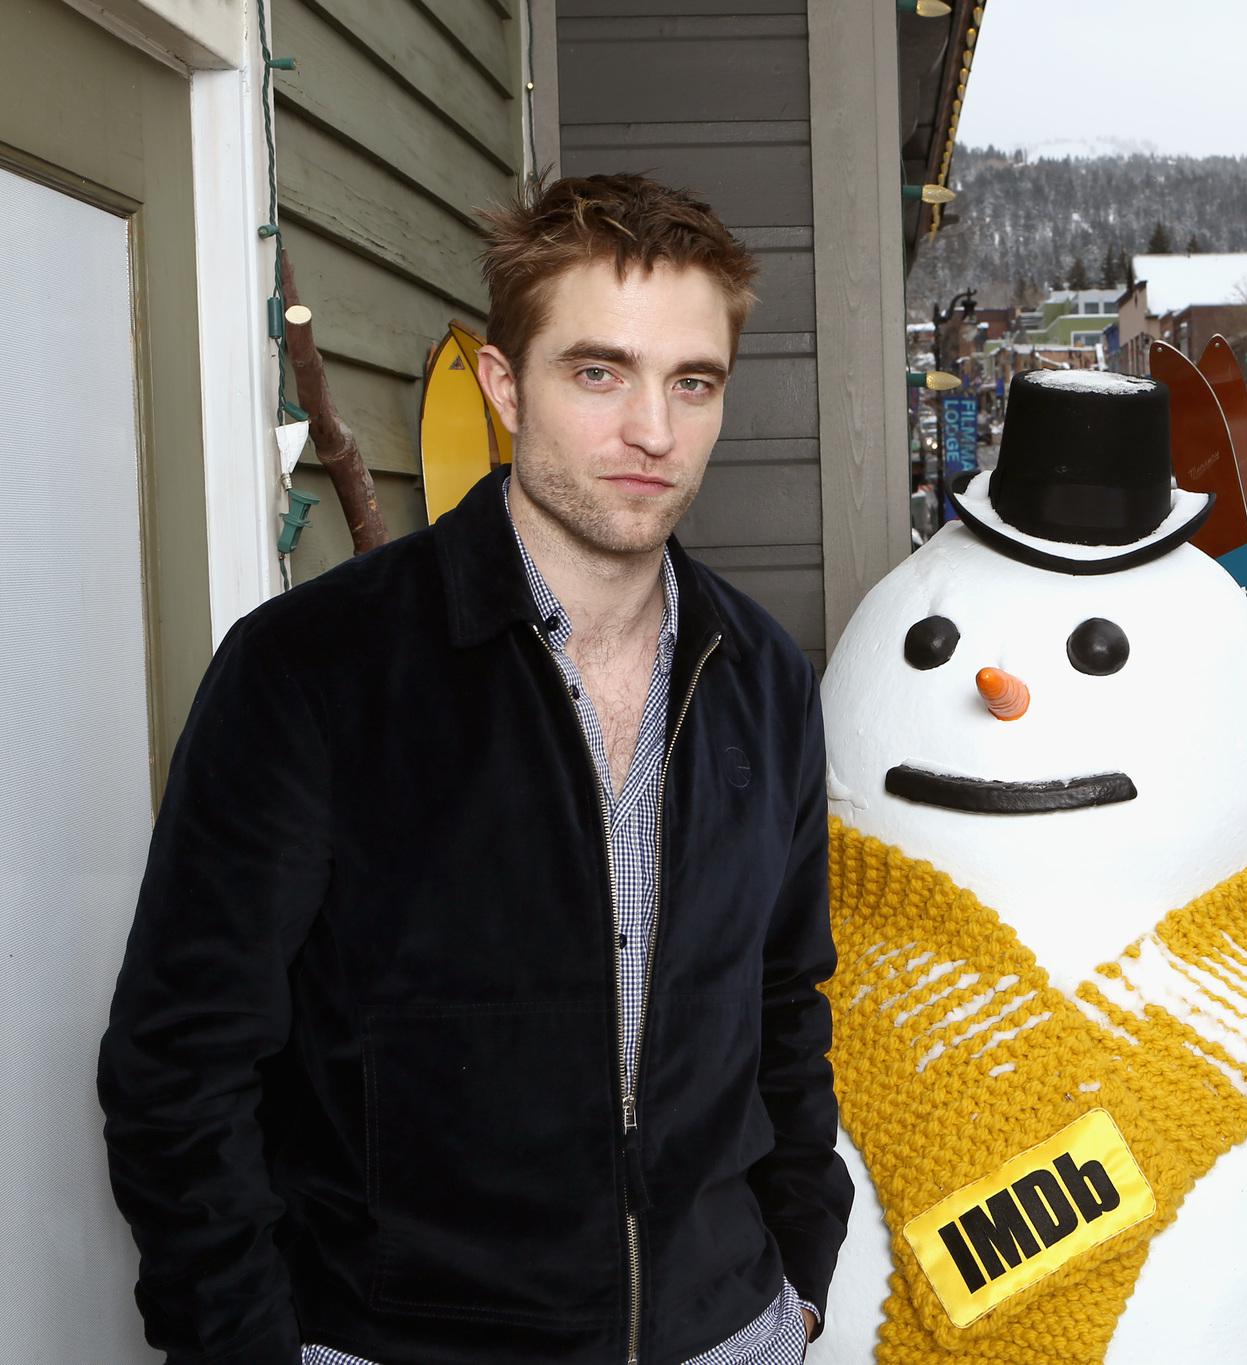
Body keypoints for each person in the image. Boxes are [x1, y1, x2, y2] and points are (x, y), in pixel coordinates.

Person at [99, 174, 853, 1364]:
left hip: (728, 1333)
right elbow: (179, 1064)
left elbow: (784, 1008)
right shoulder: (312, 672)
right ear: (505, 387)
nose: (652, 430)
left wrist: (797, 1275)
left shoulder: (760, 675)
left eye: (691, 381)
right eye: (598, 372)